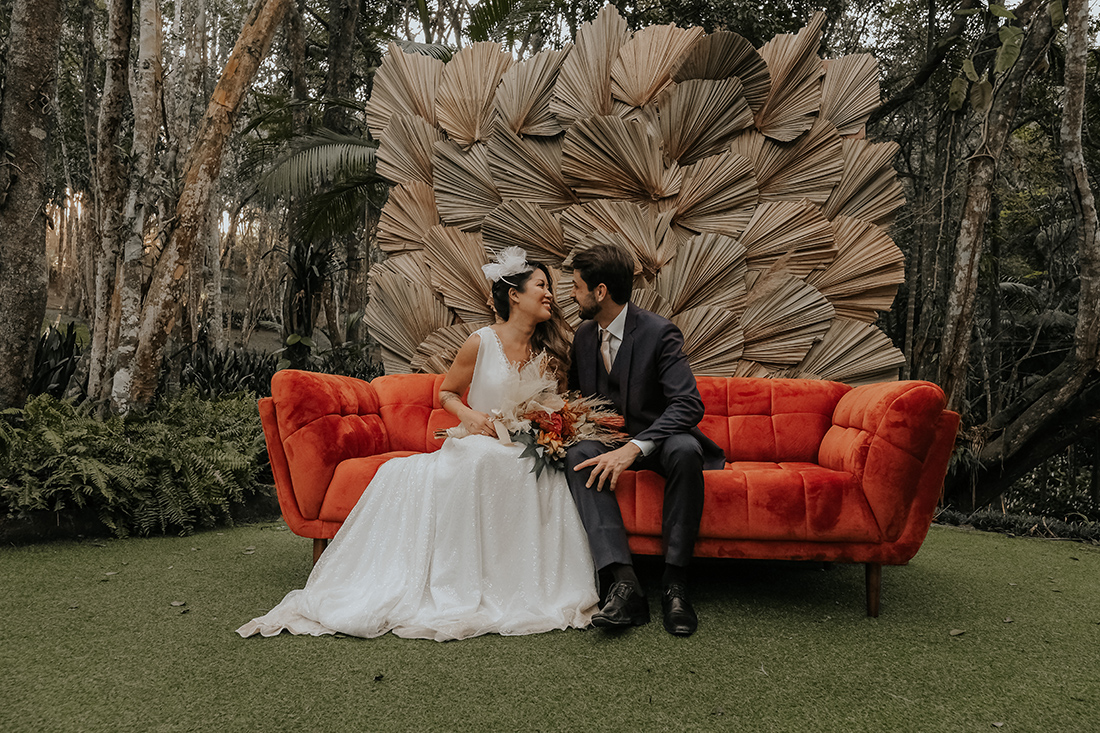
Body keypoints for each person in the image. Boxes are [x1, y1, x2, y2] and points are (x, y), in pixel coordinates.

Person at [237, 248, 598, 640]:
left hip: (519, 443)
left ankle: (528, 581)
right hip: (478, 439)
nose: (550, 294)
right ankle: (461, 584)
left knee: (542, 467)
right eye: (542, 285)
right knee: (482, 460)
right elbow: (447, 393)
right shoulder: (481, 342)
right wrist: (472, 417)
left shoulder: (543, 353)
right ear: (514, 294)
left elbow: (549, 403)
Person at [565, 242, 725, 637]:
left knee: (687, 450)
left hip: (659, 440)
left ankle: (675, 584)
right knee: (578, 454)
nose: (572, 294)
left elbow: (688, 405)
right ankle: (624, 582)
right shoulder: (584, 337)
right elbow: (575, 398)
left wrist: (635, 447)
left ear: (600, 292)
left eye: (576, 286)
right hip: (606, 440)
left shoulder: (659, 332)